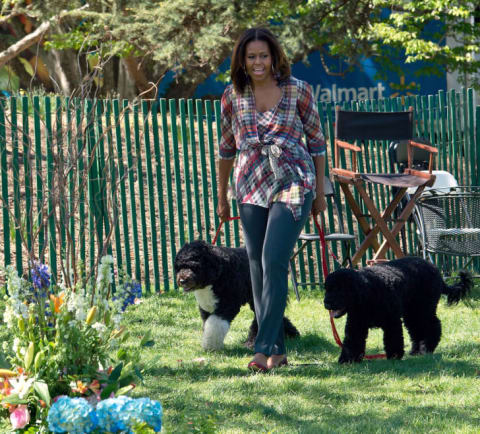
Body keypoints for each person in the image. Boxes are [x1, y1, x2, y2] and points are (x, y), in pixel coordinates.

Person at [217, 27, 327, 372]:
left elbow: (318, 143)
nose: (258, 62)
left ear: (274, 56)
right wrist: (221, 197)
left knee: (273, 259)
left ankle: (262, 348)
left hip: (294, 179)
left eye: (263, 55)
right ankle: (277, 352)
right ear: (242, 61)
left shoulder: (298, 91)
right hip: (250, 182)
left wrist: (320, 190)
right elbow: (225, 150)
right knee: (256, 264)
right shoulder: (232, 96)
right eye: (251, 56)